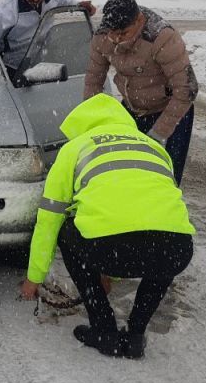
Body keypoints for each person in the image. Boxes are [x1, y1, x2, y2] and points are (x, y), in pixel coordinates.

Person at [19, 93, 195, 359]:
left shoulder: (74, 149)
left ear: (81, 124)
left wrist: (34, 278)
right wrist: (109, 272)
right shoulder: (153, 146)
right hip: (177, 247)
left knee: (67, 229)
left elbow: (49, 220)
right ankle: (136, 335)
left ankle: (104, 329)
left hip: (109, 247)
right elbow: (142, 212)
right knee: (165, 235)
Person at [84, 0, 197, 185]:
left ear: (138, 20)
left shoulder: (161, 37)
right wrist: (91, 123)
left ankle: (164, 210)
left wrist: (159, 133)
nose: (117, 39)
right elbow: (93, 80)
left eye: (124, 33)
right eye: (114, 33)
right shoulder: (103, 37)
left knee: (165, 173)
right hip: (132, 107)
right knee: (128, 168)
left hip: (169, 110)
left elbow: (187, 89)